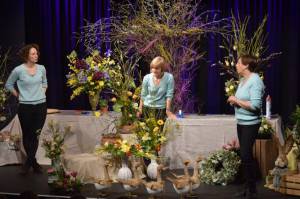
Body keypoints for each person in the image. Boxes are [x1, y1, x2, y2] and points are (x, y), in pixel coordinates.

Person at [5, 44, 47, 174]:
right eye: (33, 54)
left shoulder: (41, 68)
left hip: (40, 106)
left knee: (36, 134)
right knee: (28, 135)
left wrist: (42, 93)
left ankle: (28, 163)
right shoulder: (19, 70)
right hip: (25, 106)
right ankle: (33, 162)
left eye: (36, 53)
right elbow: (9, 84)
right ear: (26, 56)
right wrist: (18, 95)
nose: (36, 56)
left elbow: (45, 83)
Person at [227, 54, 264, 199]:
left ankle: (252, 190)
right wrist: (235, 101)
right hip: (241, 122)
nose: (235, 64)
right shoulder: (243, 80)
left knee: (246, 155)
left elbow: (255, 106)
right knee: (244, 156)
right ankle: (246, 188)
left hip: (251, 124)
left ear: (246, 65)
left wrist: (236, 100)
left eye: (238, 62)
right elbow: (243, 100)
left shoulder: (255, 81)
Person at [138, 56, 176, 121]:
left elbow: (169, 95)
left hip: (161, 109)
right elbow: (143, 95)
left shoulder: (169, 78)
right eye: (152, 68)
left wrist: (168, 110)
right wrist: (140, 109)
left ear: (162, 68)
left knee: (159, 130)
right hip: (147, 107)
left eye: (156, 68)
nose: (153, 70)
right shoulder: (147, 78)